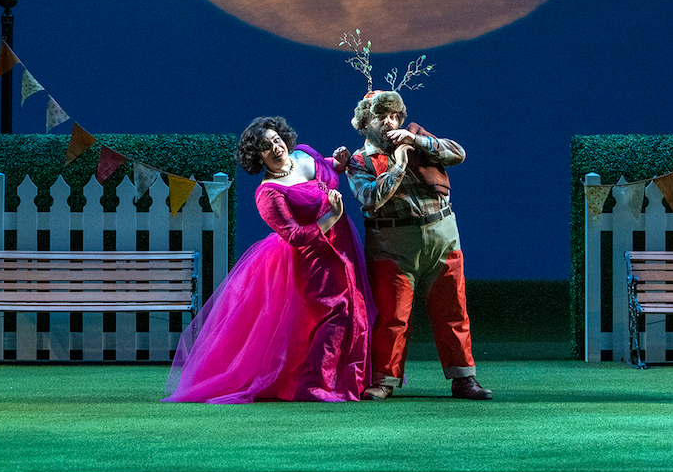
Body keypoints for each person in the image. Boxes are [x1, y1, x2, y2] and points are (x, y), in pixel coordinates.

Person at [163, 116, 372, 403]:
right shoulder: (269, 192)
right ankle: (313, 385)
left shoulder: (305, 154)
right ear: (257, 156)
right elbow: (296, 236)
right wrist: (329, 218)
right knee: (337, 311)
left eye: (276, 140)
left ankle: (347, 379)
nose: (275, 148)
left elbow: (327, 171)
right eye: (265, 146)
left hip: (342, 244)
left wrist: (339, 161)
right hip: (311, 257)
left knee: (354, 307)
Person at [346, 91, 492, 400]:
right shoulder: (359, 161)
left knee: (453, 308)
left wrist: (416, 143)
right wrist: (397, 166)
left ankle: (464, 378)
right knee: (393, 315)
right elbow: (370, 198)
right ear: (365, 122)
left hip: (441, 236)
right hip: (392, 245)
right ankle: (384, 379)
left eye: (394, 116)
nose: (390, 122)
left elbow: (458, 154)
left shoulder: (419, 142)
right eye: (381, 116)